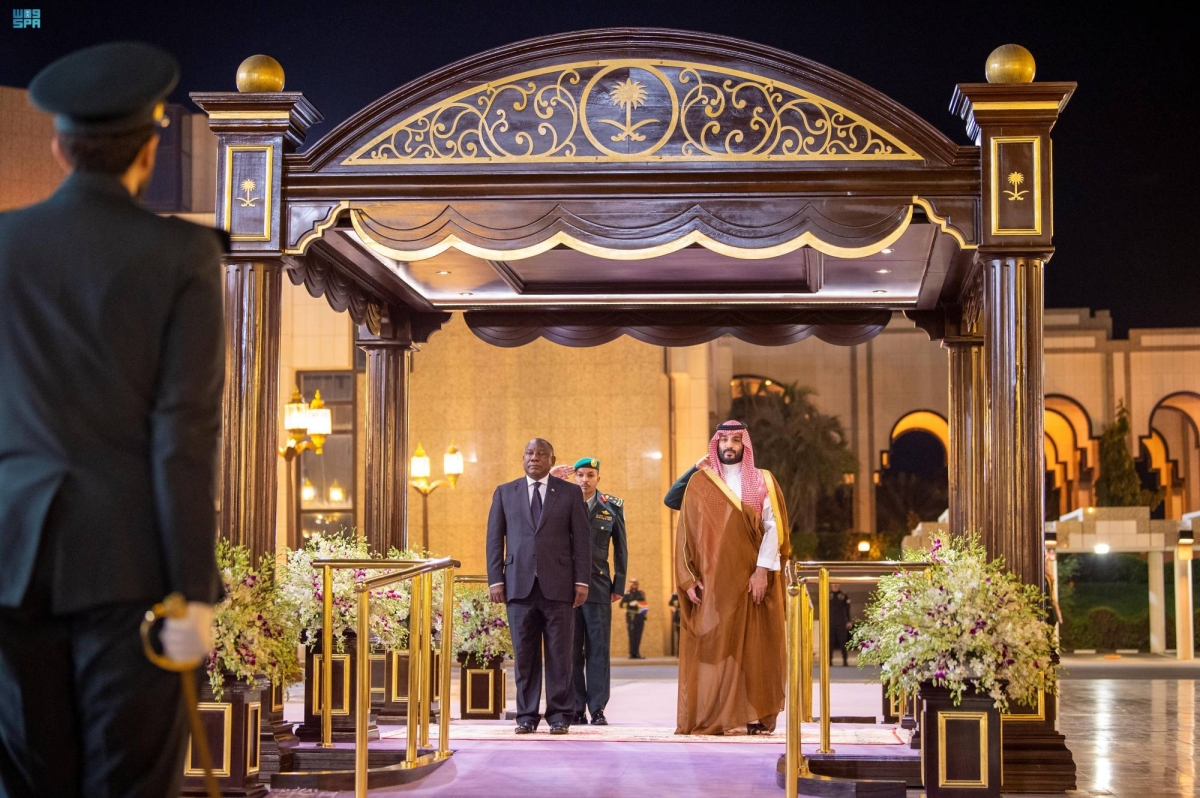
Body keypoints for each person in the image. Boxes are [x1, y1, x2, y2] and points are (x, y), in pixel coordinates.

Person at [0, 42, 226, 798]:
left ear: (59, 149)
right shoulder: (182, 253)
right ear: (148, 150)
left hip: (9, 559)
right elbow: (182, 434)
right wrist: (194, 590)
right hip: (128, 566)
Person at [666, 420, 790, 735]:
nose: (730, 445)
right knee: (715, 649)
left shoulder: (762, 480)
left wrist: (761, 571)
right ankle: (716, 714)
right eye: (724, 440)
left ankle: (753, 715)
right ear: (716, 444)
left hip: (752, 580)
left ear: (744, 444)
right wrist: (688, 577)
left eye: (736, 440)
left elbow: (773, 529)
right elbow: (685, 531)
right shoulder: (701, 482)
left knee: (754, 649)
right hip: (715, 582)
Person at [487, 438, 591, 734]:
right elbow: (494, 539)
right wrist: (496, 579)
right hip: (517, 586)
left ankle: (559, 716)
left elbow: (582, 540)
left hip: (559, 587)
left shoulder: (570, 493)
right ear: (523, 458)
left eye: (541, 454)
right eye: (530, 453)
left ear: (551, 460)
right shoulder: (505, 492)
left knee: (560, 656)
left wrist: (581, 580)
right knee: (524, 657)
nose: (534, 458)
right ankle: (526, 716)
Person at [555, 458, 627, 726]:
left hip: (598, 586)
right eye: (580, 475)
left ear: (599, 478)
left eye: (590, 475)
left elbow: (621, 548)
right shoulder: (563, 502)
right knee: (572, 650)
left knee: (599, 648)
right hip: (567, 587)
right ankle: (576, 707)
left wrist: (619, 585)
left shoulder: (611, 506)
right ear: (574, 478)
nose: (585, 480)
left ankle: (597, 708)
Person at [620, 579, 648, 659]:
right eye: (633, 584)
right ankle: (632, 653)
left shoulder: (641, 593)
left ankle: (637, 653)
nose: (634, 585)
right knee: (632, 635)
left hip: (640, 616)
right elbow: (622, 605)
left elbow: (644, 605)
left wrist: (644, 616)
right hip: (631, 616)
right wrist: (630, 604)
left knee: (638, 635)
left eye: (635, 584)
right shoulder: (627, 594)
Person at [828, 582, 852, 666]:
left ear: (839, 585)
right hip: (830, 622)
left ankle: (845, 660)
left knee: (843, 641)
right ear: (831, 585)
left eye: (836, 584)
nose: (835, 585)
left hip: (841, 622)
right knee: (830, 642)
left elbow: (847, 609)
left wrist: (849, 621)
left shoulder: (843, 596)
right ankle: (829, 660)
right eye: (833, 584)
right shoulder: (827, 596)